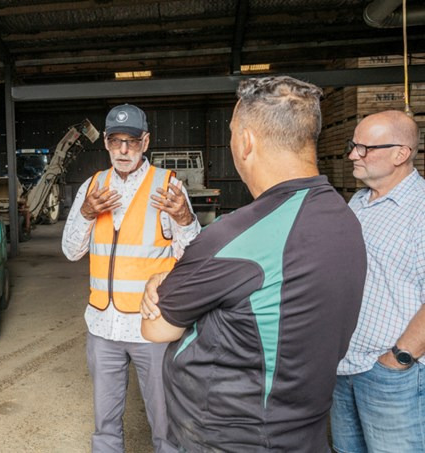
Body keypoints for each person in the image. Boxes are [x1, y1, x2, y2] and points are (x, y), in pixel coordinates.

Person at [139, 76, 367, 452]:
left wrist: (163, 281)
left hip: (226, 437)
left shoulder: (236, 237)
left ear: (245, 142)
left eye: (231, 133)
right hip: (303, 430)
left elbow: (156, 329)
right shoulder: (344, 219)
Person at [62, 104, 200, 452]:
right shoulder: (93, 187)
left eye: (132, 141)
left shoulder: (167, 187)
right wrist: (86, 213)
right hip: (102, 327)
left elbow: (195, 255)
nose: (123, 150)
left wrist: (184, 219)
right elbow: (70, 251)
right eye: (116, 141)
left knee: (165, 424)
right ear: (106, 143)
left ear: (146, 141)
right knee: (105, 426)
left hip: (150, 326)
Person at [330, 110, 425, 453]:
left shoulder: (420, 210)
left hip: (392, 374)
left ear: (400, 154)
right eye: (352, 145)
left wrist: (399, 358)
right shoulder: (359, 202)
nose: (353, 155)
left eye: (364, 148)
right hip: (346, 365)